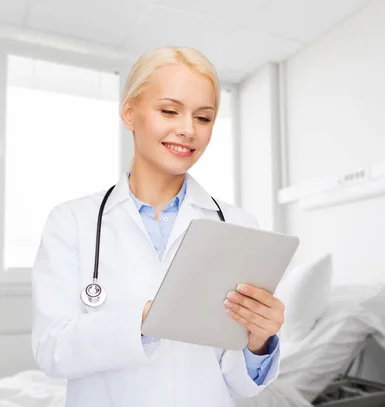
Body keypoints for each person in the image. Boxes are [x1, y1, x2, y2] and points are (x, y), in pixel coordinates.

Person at [30, 46, 283, 407]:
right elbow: (51, 350)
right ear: (129, 113)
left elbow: (242, 385)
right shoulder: (72, 221)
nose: (187, 130)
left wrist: (259, 340)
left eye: (203, 117)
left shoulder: (239, 226)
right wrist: (146, 319)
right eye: (169, 110)